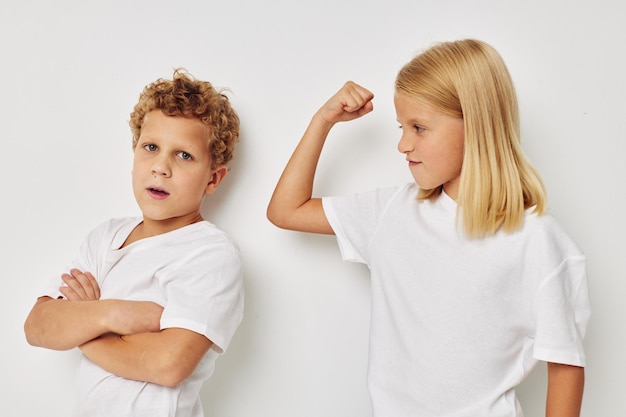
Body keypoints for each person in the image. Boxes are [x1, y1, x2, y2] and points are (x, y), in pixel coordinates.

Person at [267, 39, 590, 417]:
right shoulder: (390, 213)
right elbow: (286, 211)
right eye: (402, 127)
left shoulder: (537, 240)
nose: (403, 144)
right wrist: (322, 121)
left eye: (419, 128)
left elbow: (565, 363)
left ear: (477, 124)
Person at [24, 69, 244, 417]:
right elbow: (38, 326)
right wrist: (116, 313)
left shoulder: (210, 255)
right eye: (151, 147)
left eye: (183, 155)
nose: (160, 167)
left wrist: (82, 321)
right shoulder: (105, 237)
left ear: (213, 178)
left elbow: (167, 365)